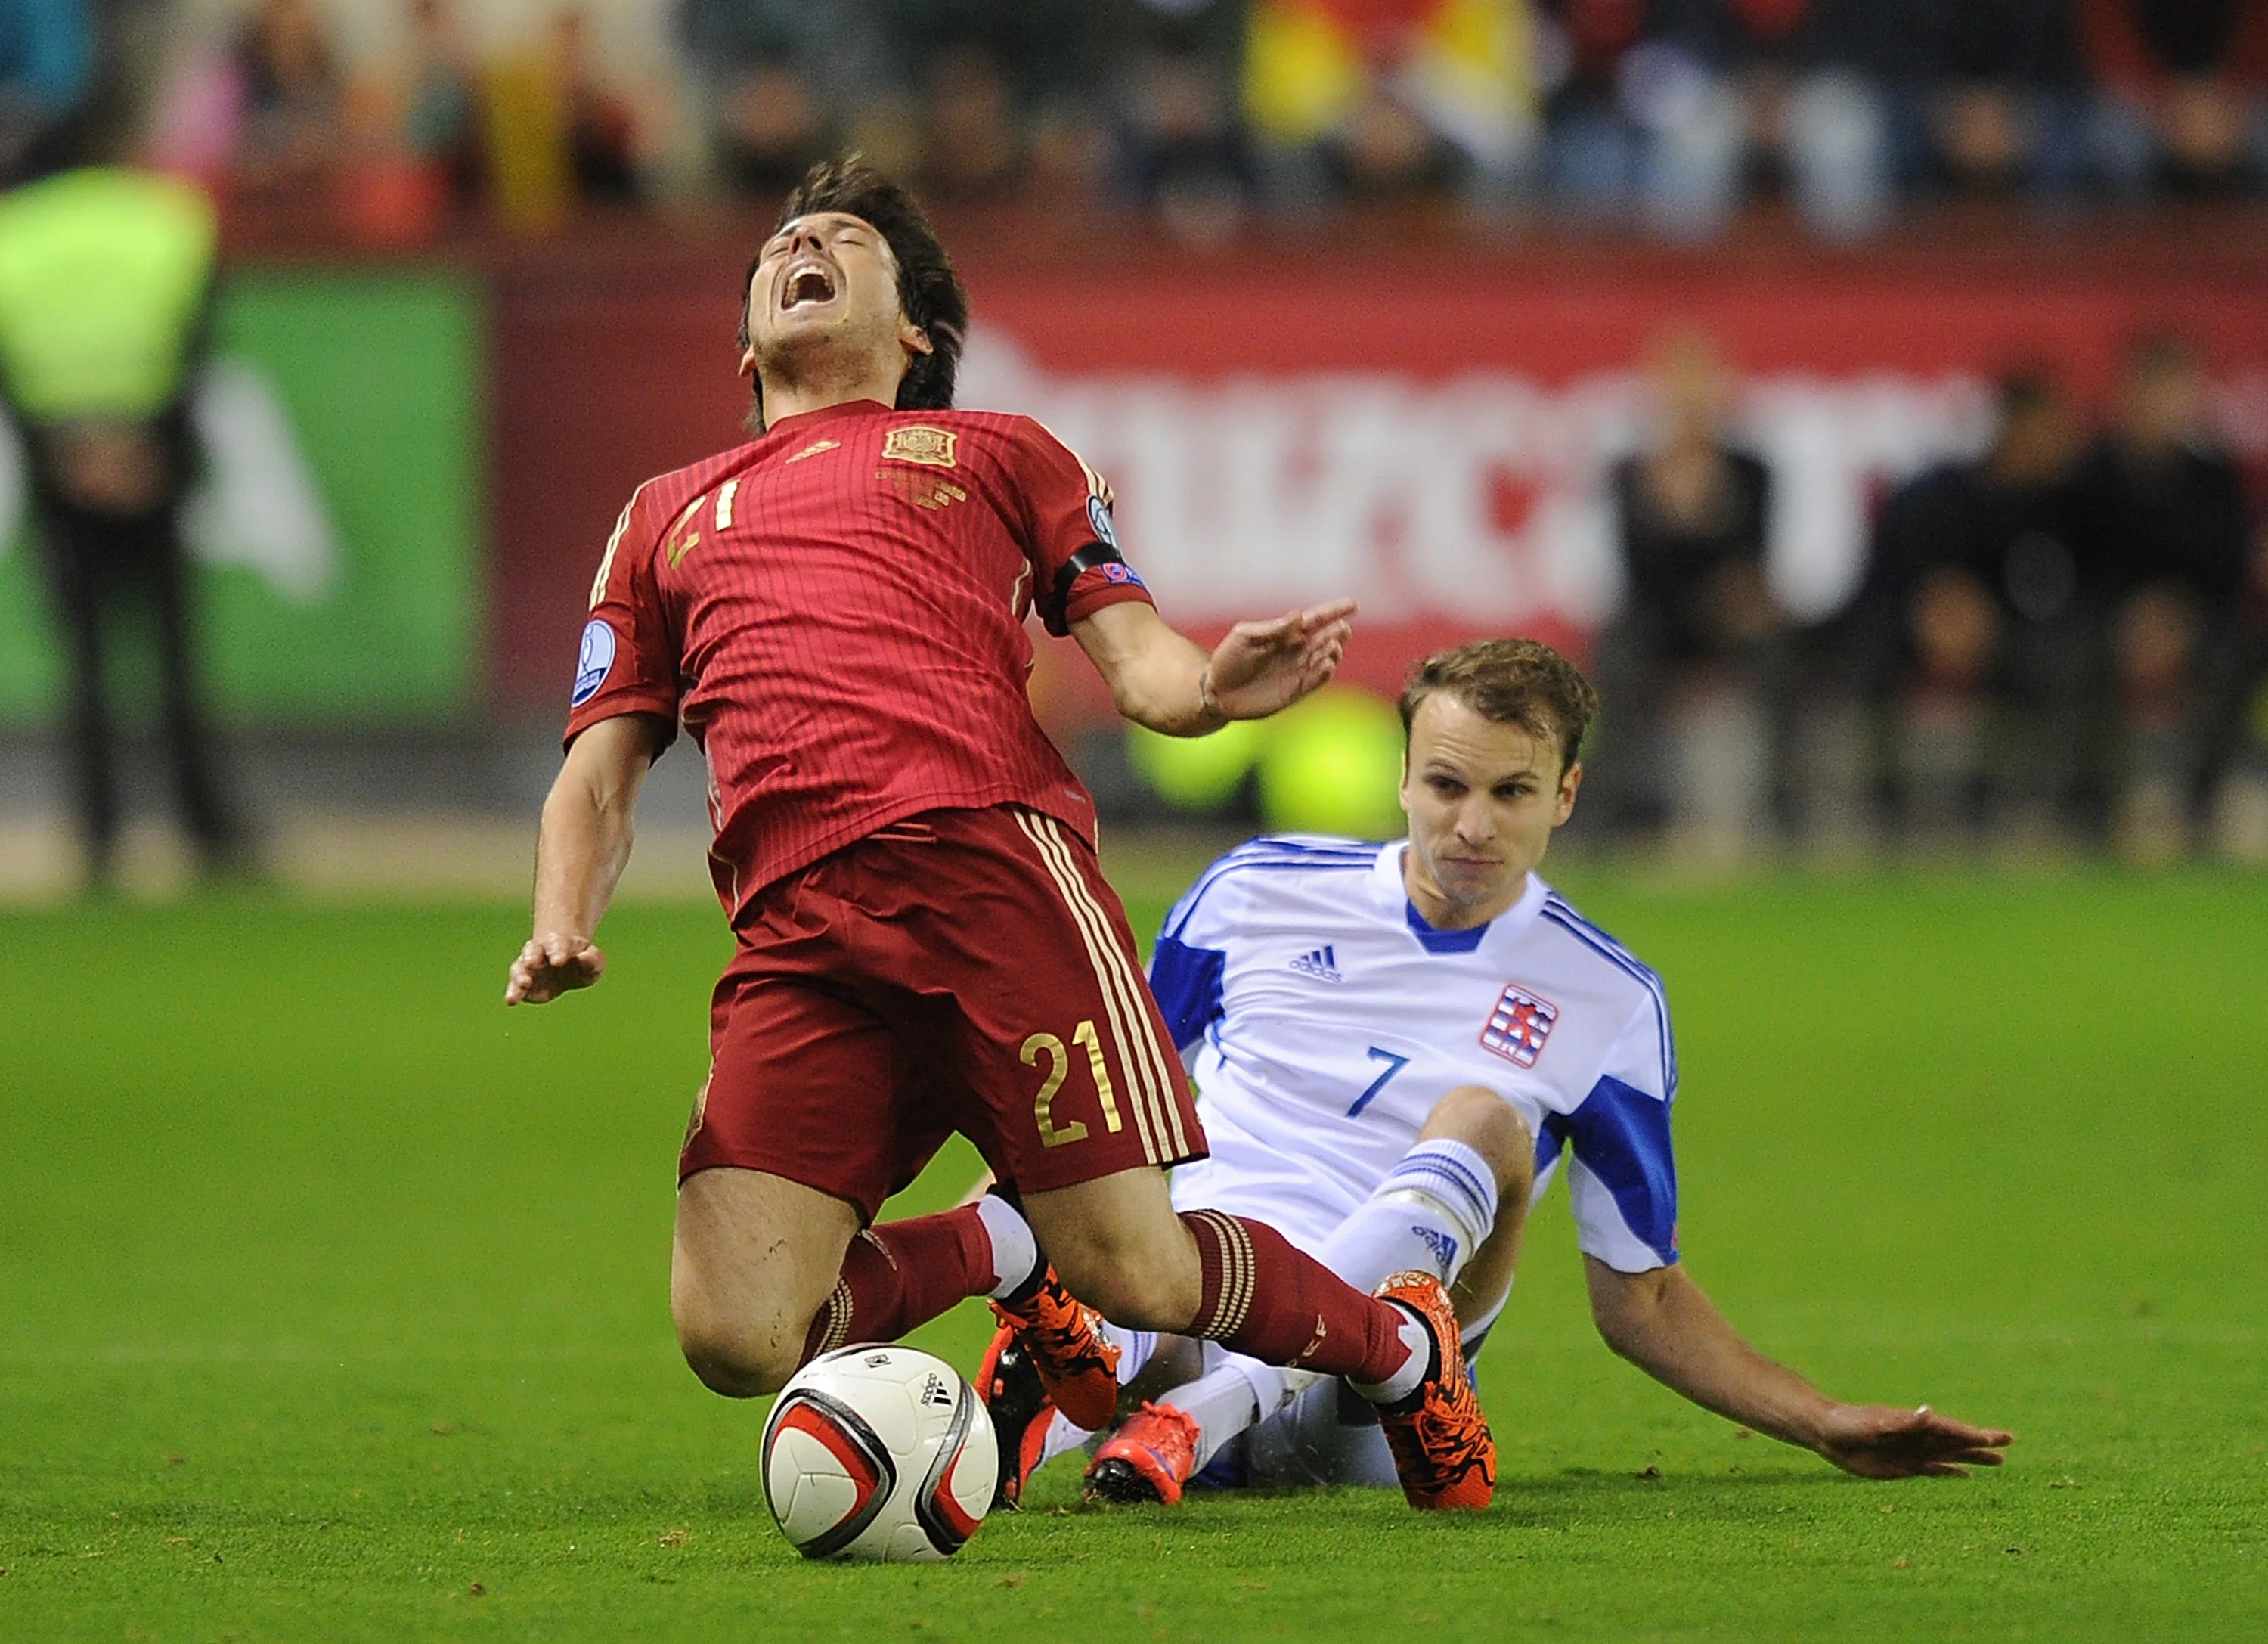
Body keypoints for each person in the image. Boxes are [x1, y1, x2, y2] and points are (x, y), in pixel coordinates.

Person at [501, 156, 1496, 1512]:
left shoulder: (998, 453)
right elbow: (598, 772)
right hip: (797, 934)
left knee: (1137, 1271)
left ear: (914, 333)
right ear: (744, 337)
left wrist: (1211, 689)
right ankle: (997, 1246)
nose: (809, 243)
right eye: (788, 241)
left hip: (992, 878)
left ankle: (1400, 1344)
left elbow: (1141, 664)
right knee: (739, 1332)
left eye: (849, 241)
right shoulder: (663, 510)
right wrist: (563, 915)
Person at [987, 637, 2012, 1505]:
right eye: (1446, 784)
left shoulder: (1609, 997)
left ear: (1565, 792)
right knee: (1103, 1249)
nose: (1472, 824)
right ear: (1402, 778)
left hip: (1375, 1399)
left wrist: (1822, 1419)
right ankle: (1024, 1425)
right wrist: (988, 1242)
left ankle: (1187, 1406)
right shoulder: (1250, 892)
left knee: (1485, 1117)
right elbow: (1099, 1114)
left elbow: (1641, 1297)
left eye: (1511, 790)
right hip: (1196, 1307)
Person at [0, 163, 244, 886]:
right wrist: (152, 446)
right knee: (175, 657)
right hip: (152, 464)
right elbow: (200, 347)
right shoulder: (167, 224)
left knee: (86, 664)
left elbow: (11, 364)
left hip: (60, 465)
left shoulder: (17, 234)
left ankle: (100, 834)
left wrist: (63, 453)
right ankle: (208, 831)